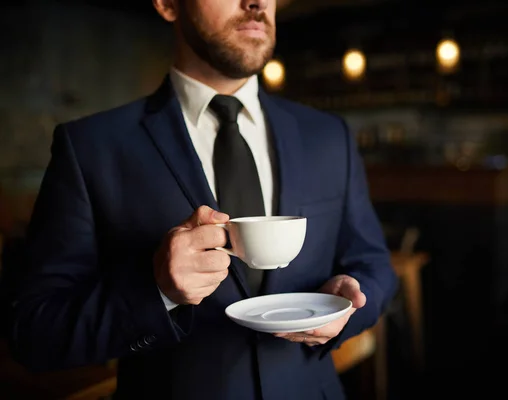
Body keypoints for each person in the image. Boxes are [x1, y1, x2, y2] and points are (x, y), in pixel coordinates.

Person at [9, 0, 398, 399]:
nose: (257, 3)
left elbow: (374, 266)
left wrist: (348, 304)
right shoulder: (91, 147)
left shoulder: (329, 135)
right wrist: (156, 289)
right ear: (167, 5)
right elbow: (34, 334)